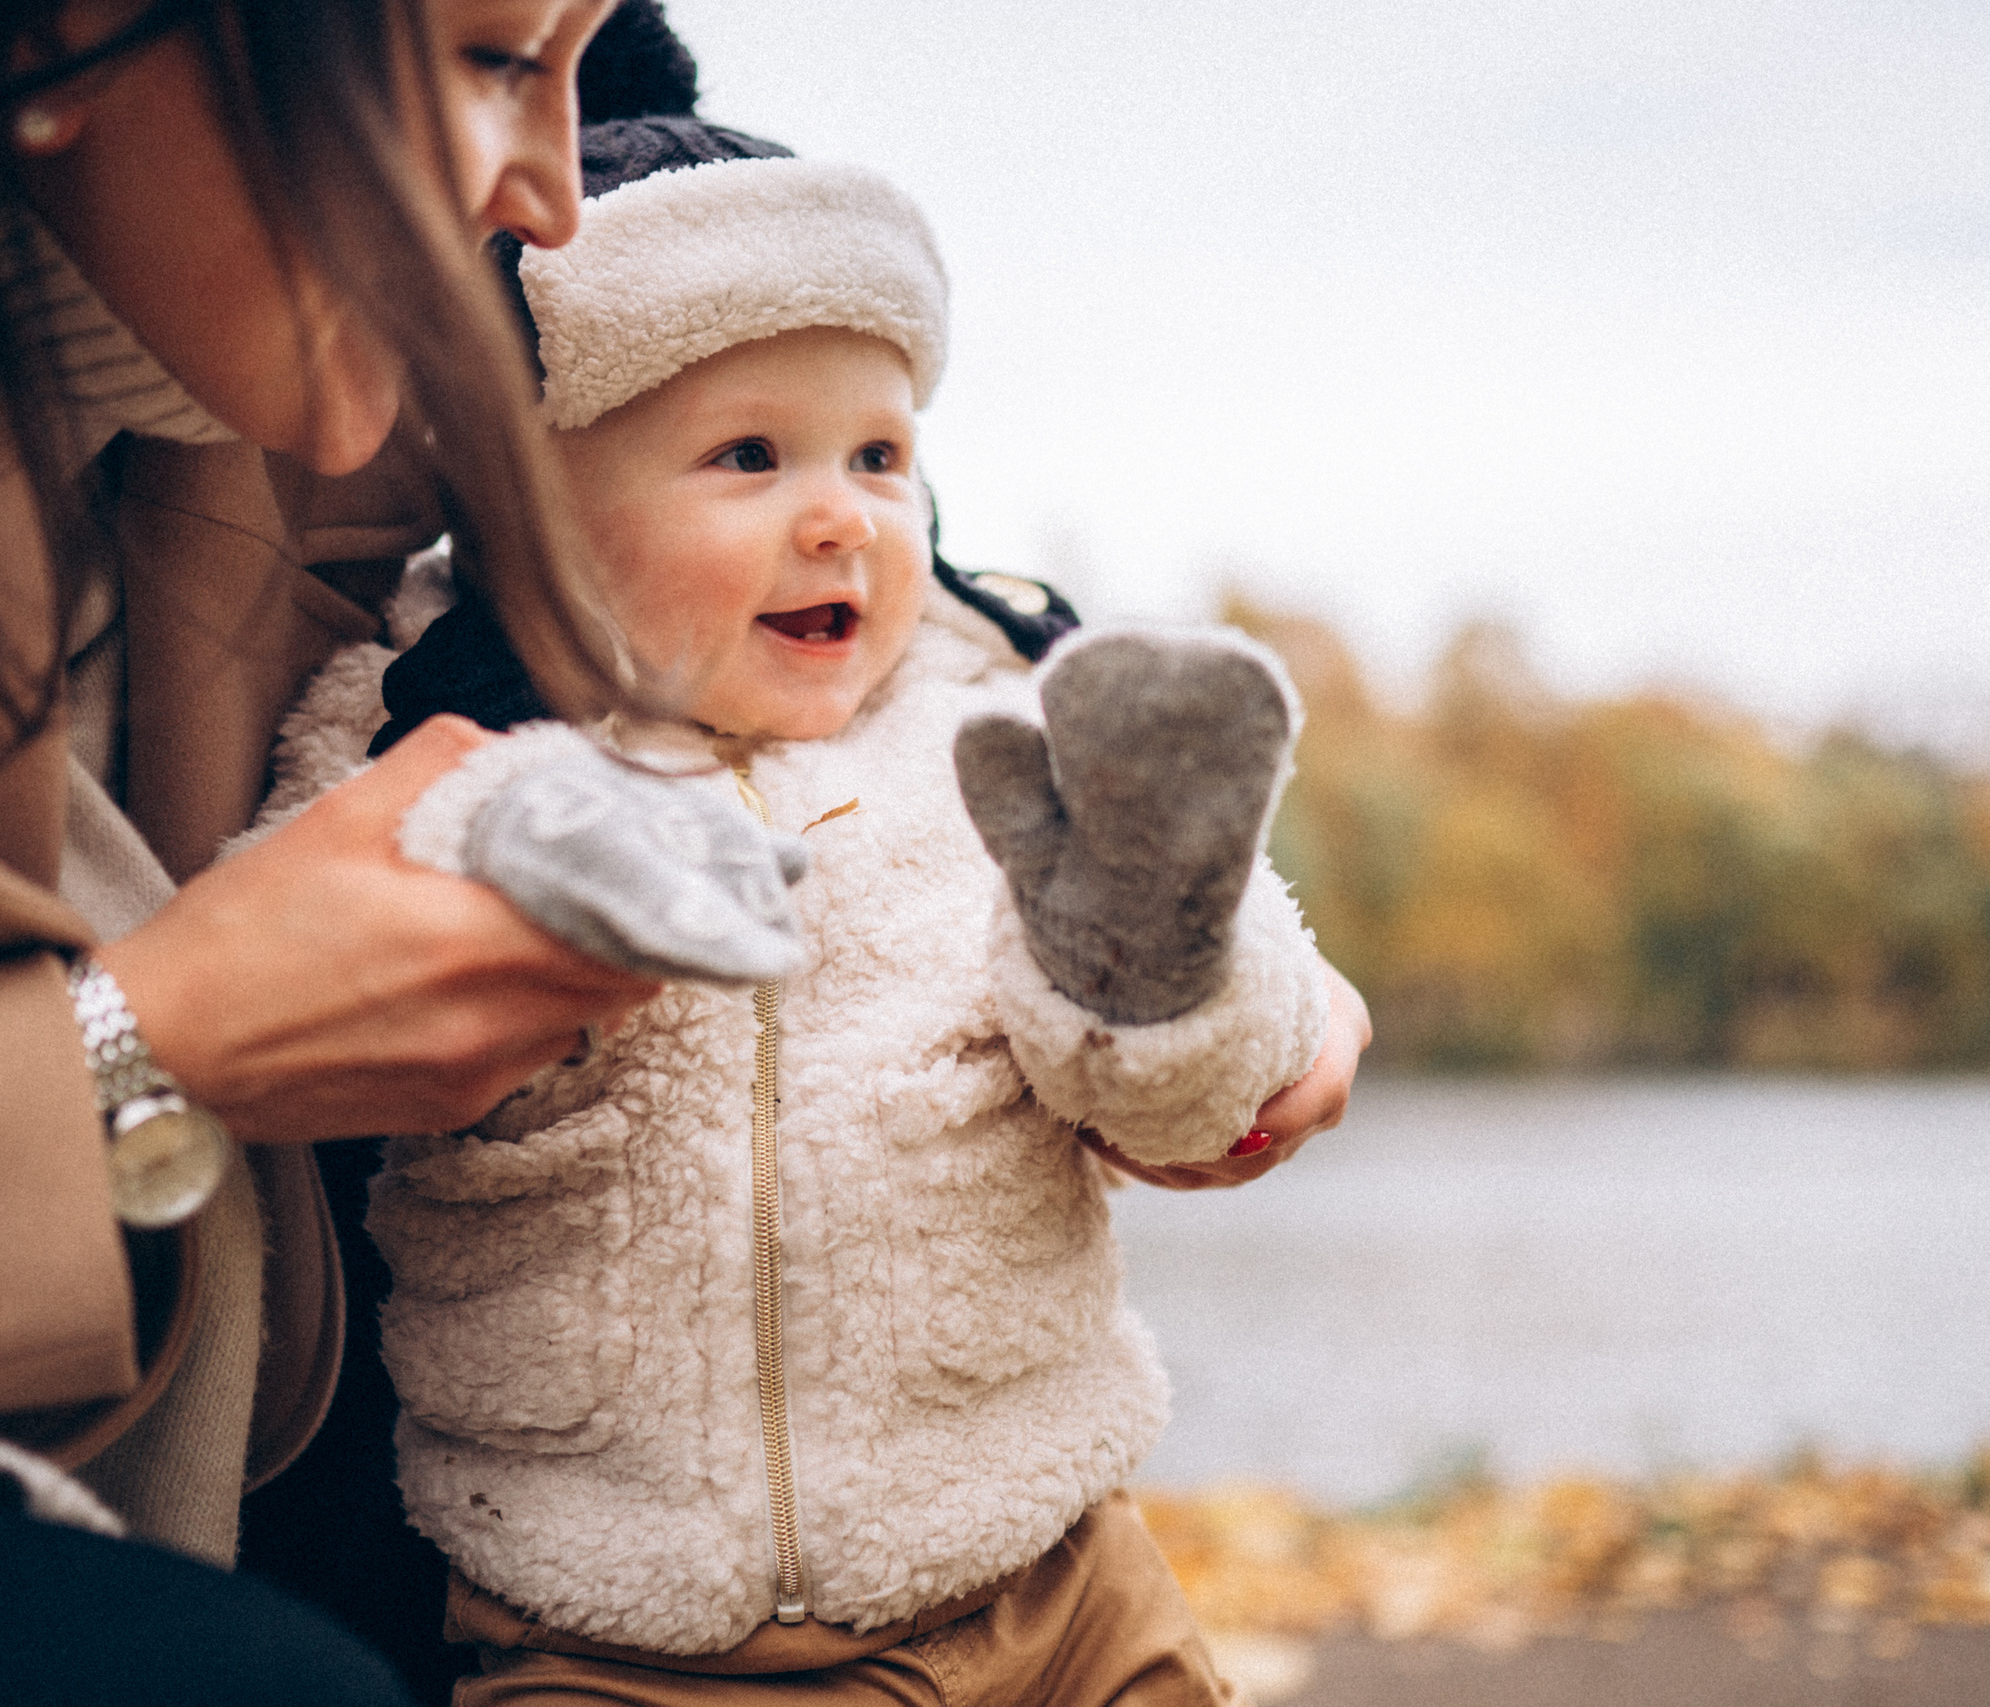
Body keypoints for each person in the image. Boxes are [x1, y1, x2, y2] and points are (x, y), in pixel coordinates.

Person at [0, 0, 662, 1699]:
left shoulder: (224, 377)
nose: (553, 200)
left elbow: (747, 405)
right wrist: (138, 1052)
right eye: (491, 60)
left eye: (582, 67)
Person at [256, 118, 1352, 1706]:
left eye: (882, 457)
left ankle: (1150, 941)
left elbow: (1178, 1111)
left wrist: (1169, 978)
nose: (843, 517)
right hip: (610, 1638)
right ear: (530, 506)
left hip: (1050, 1587)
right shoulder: (425, 731)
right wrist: (524, 846)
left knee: (1149, 983)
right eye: (750, 458)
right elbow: (314, 946)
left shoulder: (991, 740)